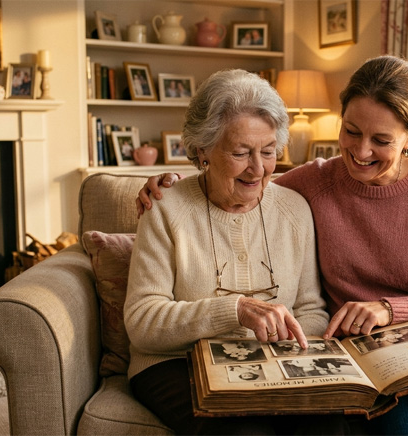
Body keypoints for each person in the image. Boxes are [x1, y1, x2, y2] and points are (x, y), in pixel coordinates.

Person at [137, 56, 408, 435]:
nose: (361, 152)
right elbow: (233, 184)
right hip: (374, 357)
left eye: (381, 141)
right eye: (351, 131)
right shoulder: (312, 184)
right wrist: (172, 182)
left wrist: (388, 310)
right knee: (402, 429)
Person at [125, 68, 342, 435]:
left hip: (273, 364)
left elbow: (310, 308)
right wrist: (234, 310)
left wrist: (289, 355)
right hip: (175, 363)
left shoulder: (294, 209)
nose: (258, 168)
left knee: (333, 426)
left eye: (269, 151)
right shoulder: (165, 207)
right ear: (201, 150)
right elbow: (142, 322)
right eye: (240, 153)